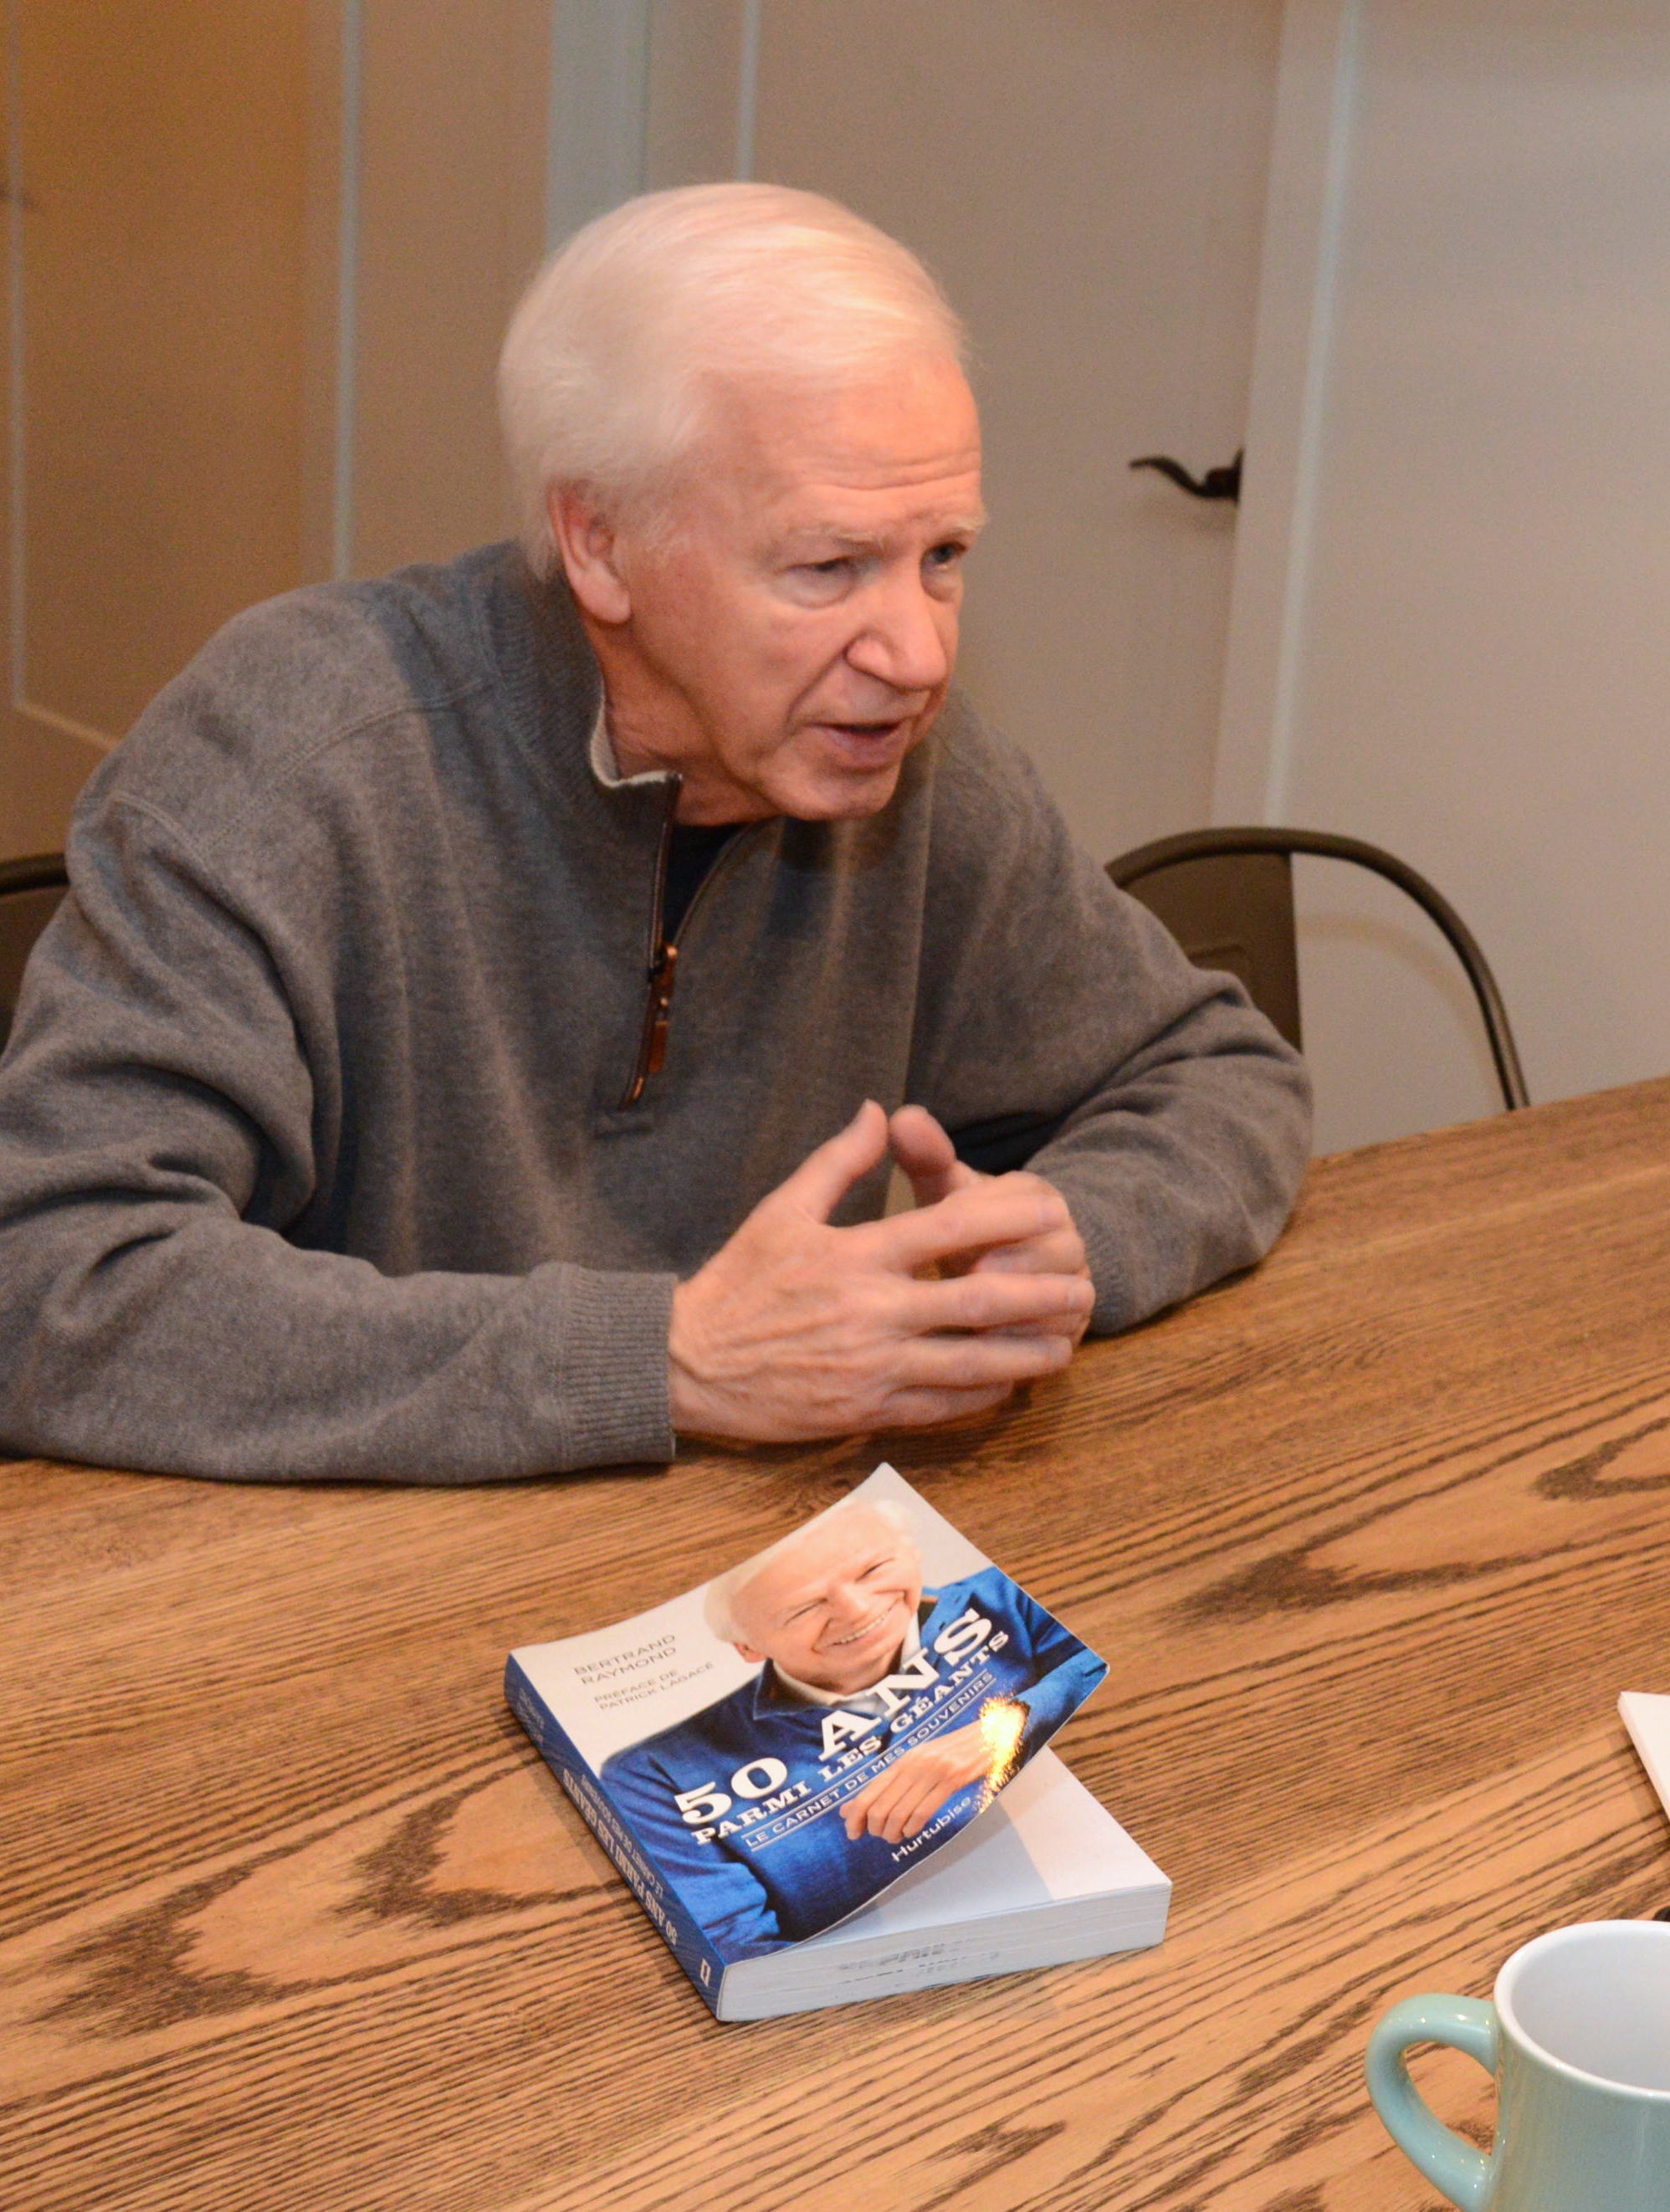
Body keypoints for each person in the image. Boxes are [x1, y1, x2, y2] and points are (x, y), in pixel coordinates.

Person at [0, 183, 1307, 1482]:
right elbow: (49, 1276)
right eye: (827, 566)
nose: (916, 652)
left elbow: (1216, 1074)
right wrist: (665, 1360)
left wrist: (1062, 1246)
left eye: (945, 554)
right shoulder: (296, 752)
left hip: (762, 1568)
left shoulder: (909, 763)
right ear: (600, 543)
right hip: (340, 1574)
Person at [601, 1493, 1104, 1961]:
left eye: (875, 1569)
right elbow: (740, 1952)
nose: (860, 1610)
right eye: (804, 1608)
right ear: (748, 1646)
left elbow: (1096, 1668)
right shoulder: (656, 1774)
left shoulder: (1006, 1597)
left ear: (910, 1552)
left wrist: (1007, 1725)